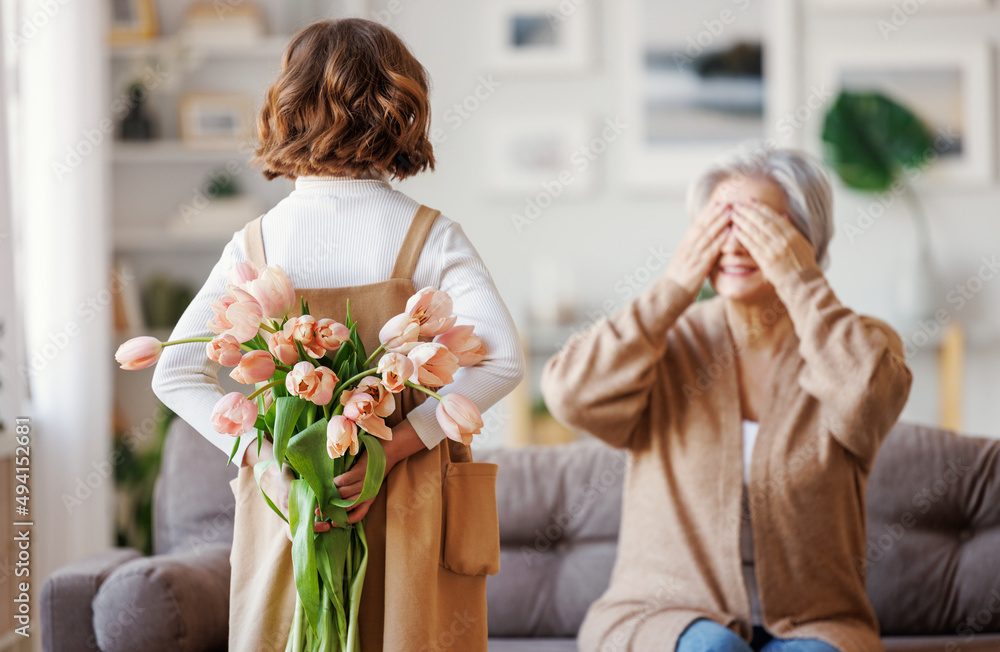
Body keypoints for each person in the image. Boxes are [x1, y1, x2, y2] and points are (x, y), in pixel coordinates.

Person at [151, 18, 524, 651]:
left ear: (287, 109)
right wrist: (400, 444)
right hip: (411, 505)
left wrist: (265, 455)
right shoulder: (432, 235)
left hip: (291, 508)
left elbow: (173, 371)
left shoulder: (255, 242)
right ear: (401, 109)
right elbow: (503, 361)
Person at [541, 147, 912, 652]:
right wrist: (673, 288)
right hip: (665, 615)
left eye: (759, 224)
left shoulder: (856, 345)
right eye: (719, 223)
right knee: (715, 648)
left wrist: (801, 280)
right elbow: (571, 395)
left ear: (805, 238)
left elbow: (866, 399)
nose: (734, 244)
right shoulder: (663, 343)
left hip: (815, 621)